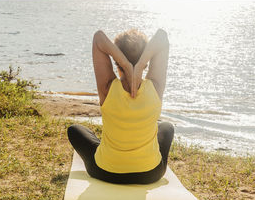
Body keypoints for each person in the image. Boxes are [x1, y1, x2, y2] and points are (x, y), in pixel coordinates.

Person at [67, 29, 174, 184]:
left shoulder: (108, 88)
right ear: (146, 61)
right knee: (167, 127)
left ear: (116, 60)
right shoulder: (155, 88)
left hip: (105, 172)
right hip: (150, 173)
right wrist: (140, 65)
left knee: (74, 130)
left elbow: (98, 38)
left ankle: (109, 153)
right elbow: (162, 36)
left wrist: (124, 63)